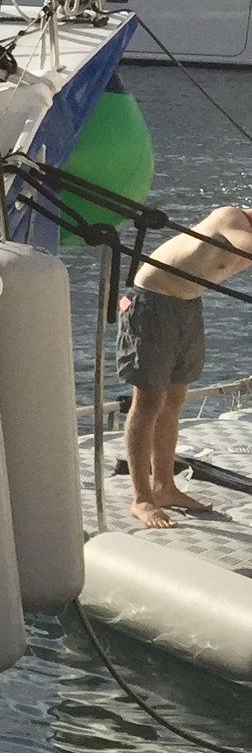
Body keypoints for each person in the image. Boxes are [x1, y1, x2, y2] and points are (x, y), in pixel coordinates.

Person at [118, 201, 252, 528]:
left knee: (174, 401)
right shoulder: (230, 216)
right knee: (148, 401)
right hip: (151, 300)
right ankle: (142, 498)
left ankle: (164, 487)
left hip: (189, 305)